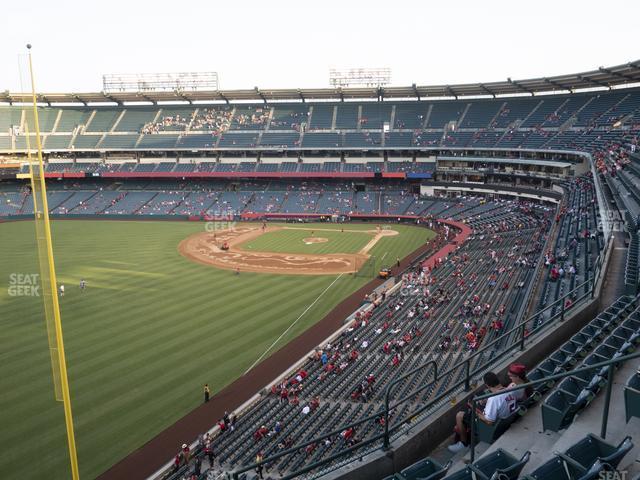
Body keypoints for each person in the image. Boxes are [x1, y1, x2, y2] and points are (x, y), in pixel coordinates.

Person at [448, 372, 517, 453]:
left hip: (492, 428)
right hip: (505, 421)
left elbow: (489, 421)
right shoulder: (510, 390)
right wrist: (487, 401)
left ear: (487, 385)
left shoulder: (493, 399)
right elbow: (501, 401)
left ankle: (463, 444)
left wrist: (477, 412)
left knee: (459, 415)